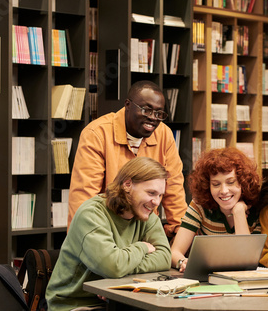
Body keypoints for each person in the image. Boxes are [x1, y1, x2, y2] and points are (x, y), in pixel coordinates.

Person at [46, 156, 171, 311]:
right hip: (76, 304)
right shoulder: (92, 213)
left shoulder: (147, 214)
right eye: (151, 193)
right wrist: (142, 248)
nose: (157, 202)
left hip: (121, 298)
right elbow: (112, 266)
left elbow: (164, 257)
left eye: (160, 195)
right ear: (127, 184)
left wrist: (120, 270)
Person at [68, 80, 187, 238]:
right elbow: (83, 200)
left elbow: (175, 190)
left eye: (159, 113)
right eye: (146, 110)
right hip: (106, 233)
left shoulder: (164, 134)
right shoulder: (96, 133)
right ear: (127, 105)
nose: (153, 118)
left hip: (146, 231)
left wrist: (182, 235)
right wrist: (84, 241)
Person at [171, 147, 261, 272]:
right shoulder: (199, 205)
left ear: (243, 182)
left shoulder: (257, 208)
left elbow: (246, 259)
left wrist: (239, 212)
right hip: (207, 278)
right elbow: (174, 251)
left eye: (230, 182)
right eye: (216, 184)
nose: (224, 191)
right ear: (207, 186)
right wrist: (182, 262)